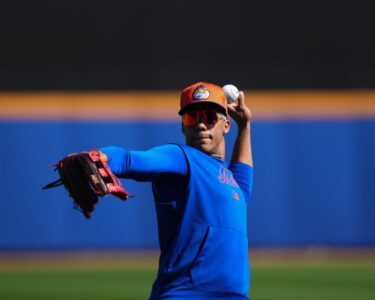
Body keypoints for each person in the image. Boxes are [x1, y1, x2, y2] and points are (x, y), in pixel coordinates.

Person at [100, 82, 253, 299]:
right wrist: (100, 156)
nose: (200, 125)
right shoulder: (181, 157)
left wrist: (245, 127)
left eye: (209, 117)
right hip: (185, 294)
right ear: (183, 126)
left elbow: (244, 185)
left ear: (226, 124)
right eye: (192, 118)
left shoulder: (230, 181)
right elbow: (129, 159)